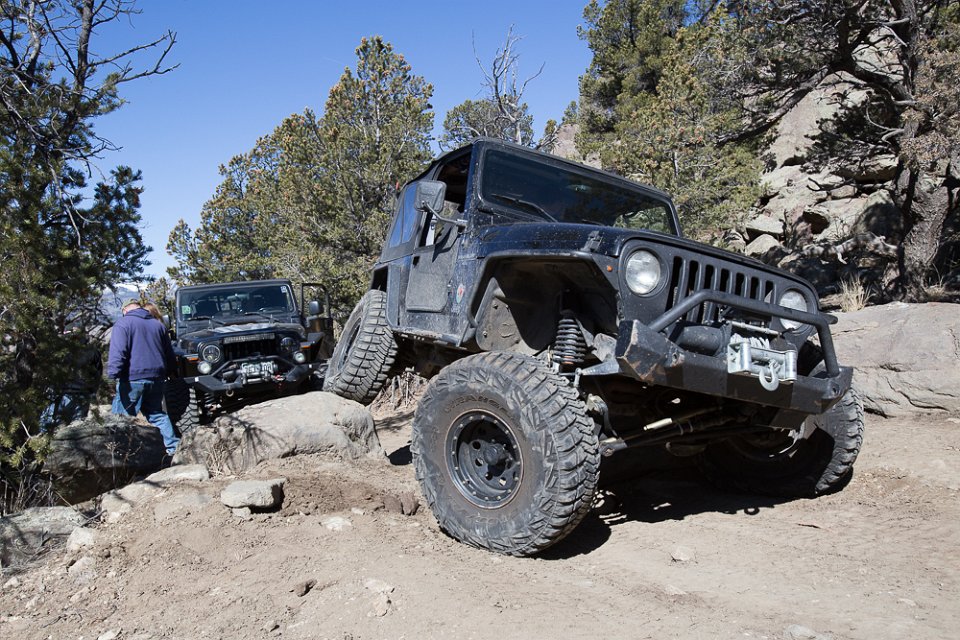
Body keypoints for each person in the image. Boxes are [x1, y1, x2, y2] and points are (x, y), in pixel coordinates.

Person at [107, 299, 180, 455]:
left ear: (125, 310)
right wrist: (171, 371)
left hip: (132, 378)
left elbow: (118, 352)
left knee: (121, 418)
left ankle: (120, 452)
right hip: (157, 377)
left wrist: (112, 374)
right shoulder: (158, 325)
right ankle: (174, 449)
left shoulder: (123, 323)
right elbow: (168, 353)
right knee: (157, 415)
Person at [39, 329, 103, 431]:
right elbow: (97, 375)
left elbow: (51, 371)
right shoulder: (93, 352)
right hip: (83, 394)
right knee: (77, 427)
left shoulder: (61, 351)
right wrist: (92, 392)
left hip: (61, 393)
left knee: (50, 427)